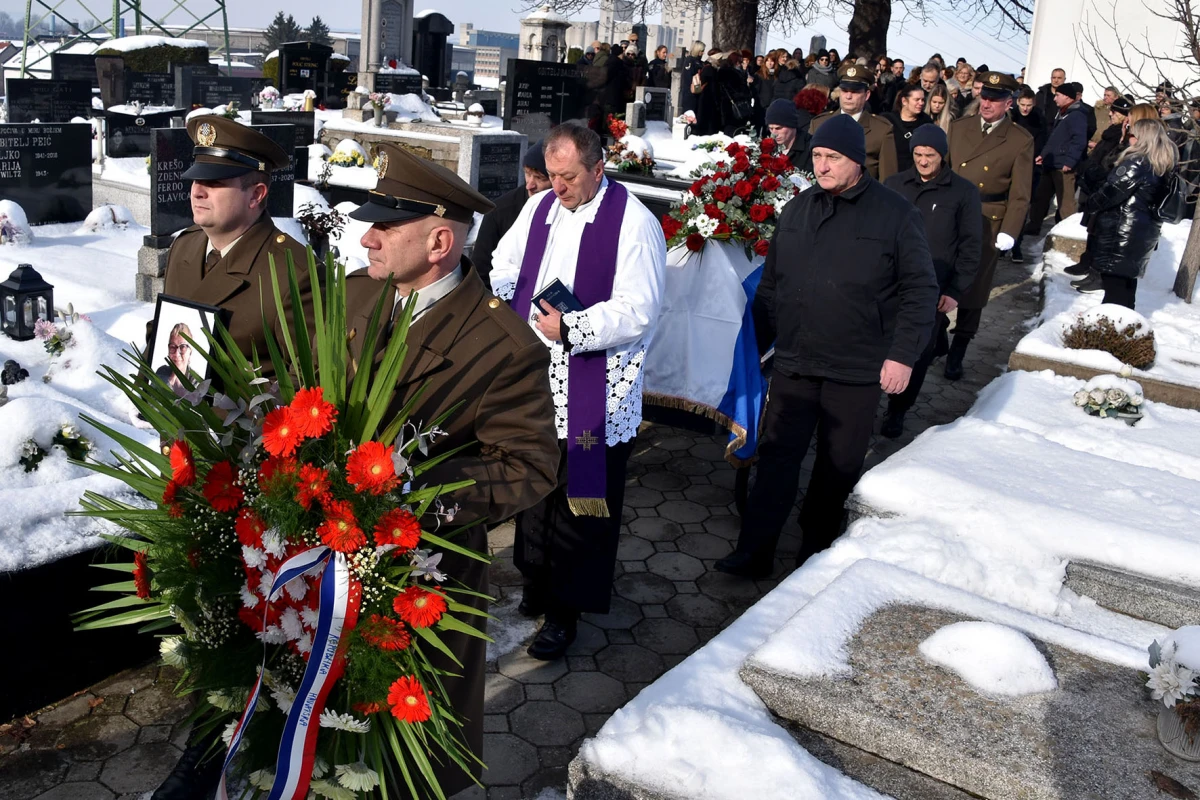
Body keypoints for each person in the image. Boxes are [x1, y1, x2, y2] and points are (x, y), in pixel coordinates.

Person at [341, 143, 560, 794]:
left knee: (410, 746)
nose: (368, 236)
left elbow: (529, 466)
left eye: (386, 225)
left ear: (440, 241)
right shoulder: (355, 295)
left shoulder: (501, 345)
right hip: (327, 561)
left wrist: (417, 492)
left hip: (422, 571)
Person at [714, 115, 937, 578]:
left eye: (832, 157)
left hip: (856, 368)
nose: (822, 165)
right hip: (796, 361)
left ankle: (813, 554)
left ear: (856, 159)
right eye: (817, 155)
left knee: (836, 466)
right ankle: (755, 550)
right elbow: (773, 285)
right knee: (777, 458)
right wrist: (753, 347)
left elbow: (919, 290)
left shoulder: (896, 214)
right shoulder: (799, 209)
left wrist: (902, 355)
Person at [488, 122, 666, 660]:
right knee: (537, 487)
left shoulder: (634, 223)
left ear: (599, 168)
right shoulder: (540, 207)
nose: (557, 187)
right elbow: (506, 263)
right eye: (551, 175)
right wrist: (517, 307)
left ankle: (566, 611)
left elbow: (640, 308)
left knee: (581, 499)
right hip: (537, 376)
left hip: (597, 385)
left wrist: (573, 328)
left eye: (568, 177)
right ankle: (535, 580)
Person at [161, 115, 313, 370]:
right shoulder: (185, 246)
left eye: (214, 183)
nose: (197, 191)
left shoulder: (295, 273)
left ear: (256, 194)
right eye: (197, 179)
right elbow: (161, 332)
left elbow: (306, 381)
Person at [882, 125, 982, 437]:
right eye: (918, 155)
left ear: (943, 155)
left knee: (916, 352)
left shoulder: (962, 192)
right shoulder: (895, 184)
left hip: (933, 287)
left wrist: (955, 291)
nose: (923, 161)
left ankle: (898, 409)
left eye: (931, 155)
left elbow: (970, 246)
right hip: (890, 282)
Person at [946, 71, 1034, 381]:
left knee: (973, 288)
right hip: (951, 212)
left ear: (1008, 103)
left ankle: (959, 348)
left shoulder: (1020, 140)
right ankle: (934, 337)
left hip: (988, 218)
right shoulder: (959, 128)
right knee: (938, 274)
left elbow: (1020, 193)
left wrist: (1010, 229)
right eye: (984, 97)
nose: (987, 104)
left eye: (995, 100)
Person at [1071, 119, 1176, 306]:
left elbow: (1108, 195)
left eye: (1132, 134)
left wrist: (1090, 193)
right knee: (1125, 289)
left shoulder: (1137, 162)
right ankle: (1124, 331)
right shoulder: (1159, 163)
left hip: (1121, 235)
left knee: (1115, 293)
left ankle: (1112, 332)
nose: (1129, 138)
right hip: (1139, 233)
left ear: (1142, 138)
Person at [471, 140, 550, 286]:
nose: (530, 185)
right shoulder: (501, 210)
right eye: (527, 174)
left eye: (540, 178)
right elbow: (481, 269)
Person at [810, 62, 897, 180]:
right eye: (844, 90)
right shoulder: (819, 124)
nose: (848, 96)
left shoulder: (881, 130)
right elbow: (807, 169)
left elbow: (888, 179)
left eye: (855, 92)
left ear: (866, 95)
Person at [1024, 81, 1088, 237]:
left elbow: (1079, 140)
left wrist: (1069, 162)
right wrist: (1043, 155)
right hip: (1051, 163)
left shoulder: (1077, 115)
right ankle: (1034, 225)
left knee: (1065, 202)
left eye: (1057, 95)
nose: (1054, 99)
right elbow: (1054, 139)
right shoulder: (1063, 113)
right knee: (1041, 197)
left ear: (1067, 97)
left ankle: (1069, 234)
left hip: (1063, 166)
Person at [1010, 85, 1049, 262]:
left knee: (1022, 206)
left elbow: (1042, 141)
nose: (1025, 108)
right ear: (1018, 102)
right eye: (1023, 104)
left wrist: (1038, 156)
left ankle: (1017, 244)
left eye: (1029, 105)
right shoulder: (1011, 116)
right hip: (1010, 165)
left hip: (1029, 168)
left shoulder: (1038, 118)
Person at [881, 83, 933, 173]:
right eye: (917, 100)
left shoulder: (926, 122)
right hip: (891, 171)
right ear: (904, 101)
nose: (921, 103)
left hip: (915, 173)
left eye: (922, 100)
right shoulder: (887, 120)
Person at [766, 98, 814, 172]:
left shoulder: (810, 148)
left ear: (792, 125)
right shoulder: (768, 148)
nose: (774, 134)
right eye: (771, 128)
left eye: (778, 128)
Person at [154, 322, 200, 397]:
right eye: (172, 347)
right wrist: (171, 379)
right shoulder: (162, 372)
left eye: (183, 347)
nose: (176, 353)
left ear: (190, 351)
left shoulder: (196, 381)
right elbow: (151, 404)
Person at [680, 41, 707, 118]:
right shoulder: (690, 61)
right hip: (690, 94)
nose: (703, 53)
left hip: (698, 94)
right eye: (701, 51)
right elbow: (689, 78)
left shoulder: (700, 62)